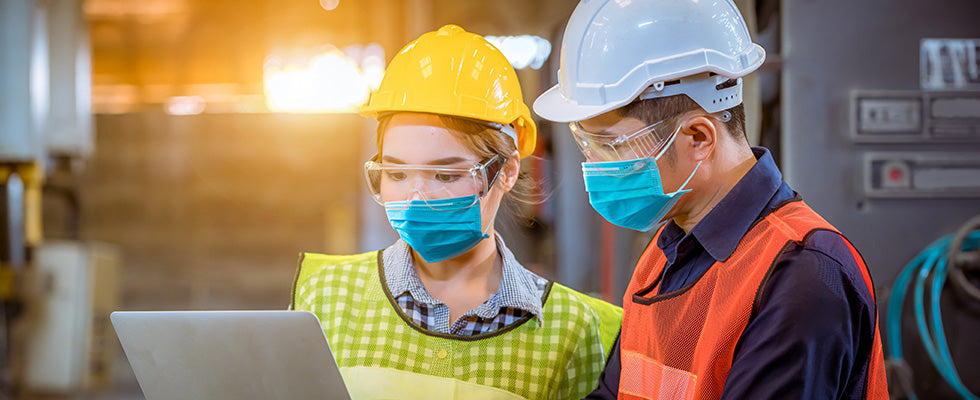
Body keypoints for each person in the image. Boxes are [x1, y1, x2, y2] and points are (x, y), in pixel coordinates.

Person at [532, 1, 888, 399]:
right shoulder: (663, 254)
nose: (592, 164)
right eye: (586, 143)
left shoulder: (801, 275)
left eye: (611, 145)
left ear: (699, 137)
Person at [291, 25, 622, 400]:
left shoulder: (580, 330)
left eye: (445, 175)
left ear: (507, 170)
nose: (415, 199)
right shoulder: (322, 298)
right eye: (396, 173)